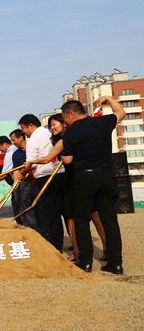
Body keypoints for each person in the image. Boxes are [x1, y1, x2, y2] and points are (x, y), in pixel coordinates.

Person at [24, 114, 107, 262]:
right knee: (89, 214)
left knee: (73, 217)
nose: (52, 128)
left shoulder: (66, 138)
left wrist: (30, 164)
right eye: (51, 126)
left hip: (75, 179)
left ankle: (79, 253)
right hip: (89, 176)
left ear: (65, 122)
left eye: (55, 125)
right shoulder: (80, 134)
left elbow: (50, 159)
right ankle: (104, 251)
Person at [61, 97, 125, 274]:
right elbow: (121, 112)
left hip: (85, 178)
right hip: (107, 176)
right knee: (110, 221)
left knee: (81, 220)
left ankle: (86, 262)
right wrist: (109, 98)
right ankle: (116, 263)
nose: (65, 122)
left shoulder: (71, 134)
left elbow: (67, 160)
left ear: (72, 114)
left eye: (65, 118)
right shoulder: (103, 122)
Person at [19, 113, 65, 252]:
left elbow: (31, 164)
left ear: (31, 126)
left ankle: (54, 244)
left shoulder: (33, 139)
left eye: (24, 128)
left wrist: (21, 173)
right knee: (59, 211)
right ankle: (61, 242)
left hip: (45, 176)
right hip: (60, 174)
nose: (24, 132)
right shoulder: (49, 132)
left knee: (47, 213)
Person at [9, 129, 38, 230]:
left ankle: (37, 229)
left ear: (21, 138)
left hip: (35, 180)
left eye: (13, 140)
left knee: (34, 205)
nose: (12, 143)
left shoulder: (32, 148)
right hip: (23, 182)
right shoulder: (16, 154)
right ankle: (28, 228)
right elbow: (16, 171)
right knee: (23, 204)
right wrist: (15, 183)